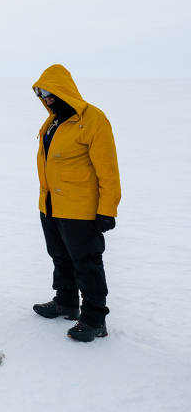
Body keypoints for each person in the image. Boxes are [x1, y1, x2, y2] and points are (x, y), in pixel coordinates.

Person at [32, 64, 121, 342]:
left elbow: (108, 170)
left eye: (49, 93)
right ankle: (66, 302)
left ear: (63, 90)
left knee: (87, 263)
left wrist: (107, 209)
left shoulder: (93, 119)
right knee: (59, 257)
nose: (45, 99)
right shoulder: (52, 122)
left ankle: (95, 319)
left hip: (80, 208)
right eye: (41, 94)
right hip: (50, 205)